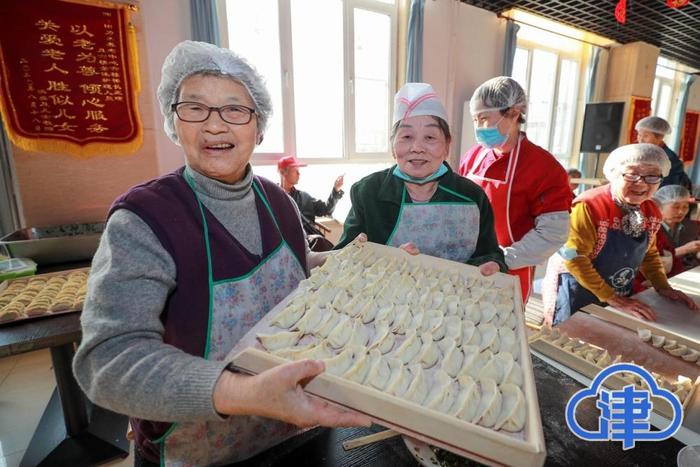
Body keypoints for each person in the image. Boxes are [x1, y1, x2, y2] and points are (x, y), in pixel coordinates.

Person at [72, 40, 369, 467]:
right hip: (194, 450)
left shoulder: (278, 201)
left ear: (258, 126)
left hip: (296, 434)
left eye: (235, 109)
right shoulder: (145, 218)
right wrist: (245, 394)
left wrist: (358, 261)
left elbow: (296, 274)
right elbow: (108, 361)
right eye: (195, 107)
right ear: (174, 121)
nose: (215, 126)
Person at [335, 82, 506, 276]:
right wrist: (383, 261)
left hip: (453, 299)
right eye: (407, 136)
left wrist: (492, 265)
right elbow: (343, 257)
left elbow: (489, 253)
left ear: (447, 145)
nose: (417, 147)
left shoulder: (472, 197)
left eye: (430, 138)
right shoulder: (368, 192)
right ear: (393, 146)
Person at [543, 144, 698, 326]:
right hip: (575, 287)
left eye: (652, 176)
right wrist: (613, 298)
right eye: (632, 175)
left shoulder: (651, 211)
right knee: (569, 340)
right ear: (615, 173)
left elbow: (648, 254)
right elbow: (574, 258)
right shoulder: (589, 206)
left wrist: (662, 286)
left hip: (616, 289)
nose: (641, 183)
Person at [459, 76, 572, 302]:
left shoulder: (544, 168)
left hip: (510, 269)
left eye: (485, 119)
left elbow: (552, 233)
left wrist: (500, 259)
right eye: (476, 120)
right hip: (465, 263)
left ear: (513, 113)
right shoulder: (473, 156)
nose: (480, 128)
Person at [278, 155, 344, 251]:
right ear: (283, 172)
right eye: (295, 170)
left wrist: (336, 189)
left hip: (311, 239)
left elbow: (326, 209)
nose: (299, 173)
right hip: (289, 242)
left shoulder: (304, 196)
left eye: (299, 171)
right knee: (320, 242)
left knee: (320, 242)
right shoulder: (273, 196)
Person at [635, 115, 692, 189]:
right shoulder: (641, 152)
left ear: (660, 137)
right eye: (639, 135)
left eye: (646, 136)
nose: (641, 139)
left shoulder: (669, 158)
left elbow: (666, 188)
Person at [653, 184, 700, 270]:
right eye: (676, 207)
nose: (681, 212)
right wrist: (685, 249)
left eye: (685, 207)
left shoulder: (693, 226)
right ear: (659, 207)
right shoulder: (651, 230)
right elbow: (652, 261)